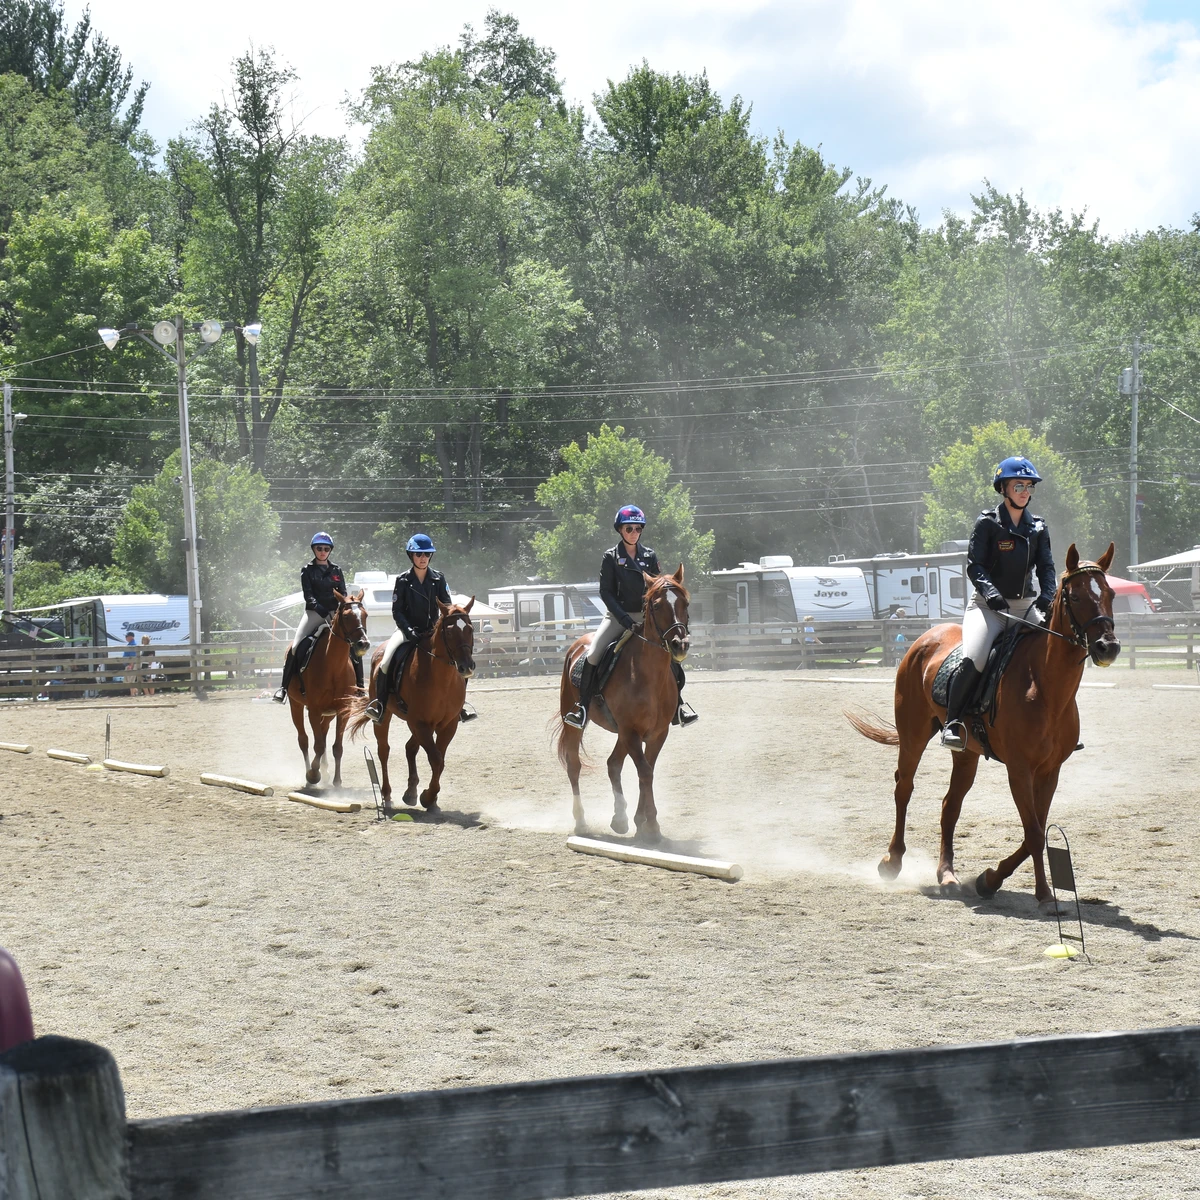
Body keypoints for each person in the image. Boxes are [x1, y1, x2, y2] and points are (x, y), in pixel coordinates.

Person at [941, 456, 1056, 750]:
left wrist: (1047, 594)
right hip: (987, 608)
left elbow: (1046, 566)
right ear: (1003, 488)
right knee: (976, 657)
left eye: (1029, 486)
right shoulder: (988, 524)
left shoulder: (1039, 527)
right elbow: (975, 566)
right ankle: (952, 724)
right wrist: (991, 593)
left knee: (1055, 654)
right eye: (1019, 485)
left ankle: (1060, 723)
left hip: (1024, 607)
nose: (1025, 491)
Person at [563, 505, 698, 730]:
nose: (634, 532)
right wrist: (625, 619)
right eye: (629, 528)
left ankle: (678, 706)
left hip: (647, 618)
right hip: (617, 617)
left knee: (673, 656)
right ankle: (582, 707)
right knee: (594, 654)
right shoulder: (611, 557)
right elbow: (606, 592)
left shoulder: (649, 555)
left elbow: (658, 589)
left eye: (638, 528)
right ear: (620, 530)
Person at [364, 533, 475, 725]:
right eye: (418, 554)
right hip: (407, 631)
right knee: (385, 661)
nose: (423, 557)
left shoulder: (439, 579)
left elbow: (446, 607)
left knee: (460, 659)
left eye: (426, 554)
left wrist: (439, 627)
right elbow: (397, 611)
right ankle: (379, 705)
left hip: (433, 631)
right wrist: (409, 632)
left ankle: (459, 706)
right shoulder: (403, 580)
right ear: (411, 556)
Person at [273, 532, 360, 702]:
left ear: (330, 550)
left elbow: (343, 592)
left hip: (335, 614)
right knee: (296, 647)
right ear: (314, 549)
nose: (322, 551)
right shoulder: (307, 570)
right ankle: (284, 688)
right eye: (319, 548)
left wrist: (339, 609)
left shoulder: (336, 570)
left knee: (354, 645)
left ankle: (359, 688)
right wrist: (320, 609)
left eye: (326, 549)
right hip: (314, 613)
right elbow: (308, 595)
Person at [123, 631, 139, 696]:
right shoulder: (130, 644)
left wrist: (131, 665)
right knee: (128, 680)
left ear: (131, 637)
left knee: (131, 680)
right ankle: (135, 692)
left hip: (131, 664)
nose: (125, 638)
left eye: (127, 636)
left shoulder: (132, 645)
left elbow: (132, 656)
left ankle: (133, 694)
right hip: (129, 664)